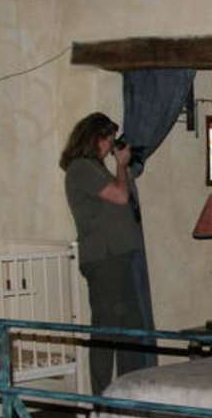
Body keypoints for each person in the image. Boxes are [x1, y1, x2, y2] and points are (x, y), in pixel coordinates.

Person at [60, 112, 153, 394]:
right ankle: (101, 400)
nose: (111, 146)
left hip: (120, 256)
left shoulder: (96, 168)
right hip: (105, 259)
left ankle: (129, 395)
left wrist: (121, 166)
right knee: (107, 330)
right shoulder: (80, 168)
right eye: (108, 140)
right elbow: (120, 196)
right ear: (94, 138)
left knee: (131, 331)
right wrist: (121, 165)